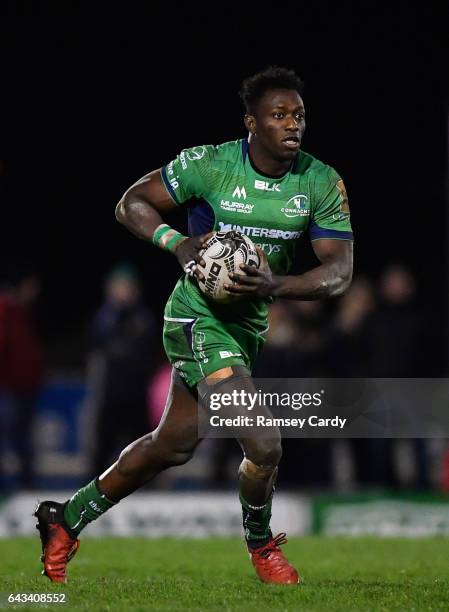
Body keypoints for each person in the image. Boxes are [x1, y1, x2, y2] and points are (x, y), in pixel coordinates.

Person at [35, 66, 353, 585]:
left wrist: (275, 287)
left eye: (298, 115)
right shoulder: (210, 165)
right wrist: (178, 243)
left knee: (173, 445)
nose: (292, 124)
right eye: (278, 115)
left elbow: (339, 272)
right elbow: (129, 204)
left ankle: (66, 518)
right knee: (265, 443)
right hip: (194, 317)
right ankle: (262, 547)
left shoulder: (320, 180)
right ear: (251, 123)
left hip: (246, 328)